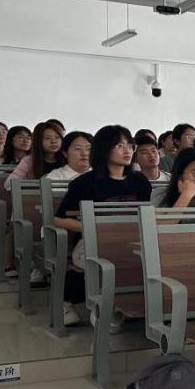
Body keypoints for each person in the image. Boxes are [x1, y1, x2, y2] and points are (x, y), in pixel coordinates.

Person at [53, 125, 152, 326]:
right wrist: (94, 229)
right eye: (119, 145)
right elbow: (59, 219)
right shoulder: (85, 183)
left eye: (130, 145)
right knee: (98, 257)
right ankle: (77, 302)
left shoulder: (140, 181)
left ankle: (131, 303)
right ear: (104, 149)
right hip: (95, 239)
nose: (127, 151)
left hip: (134, 239)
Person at [5, 121, 65, 189]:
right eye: (47, 138)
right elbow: (9, 184)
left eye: (57, 137)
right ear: (38, 141)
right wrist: (30, 185)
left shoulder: (68, 159)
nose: (53, 141)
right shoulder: (29, 161)